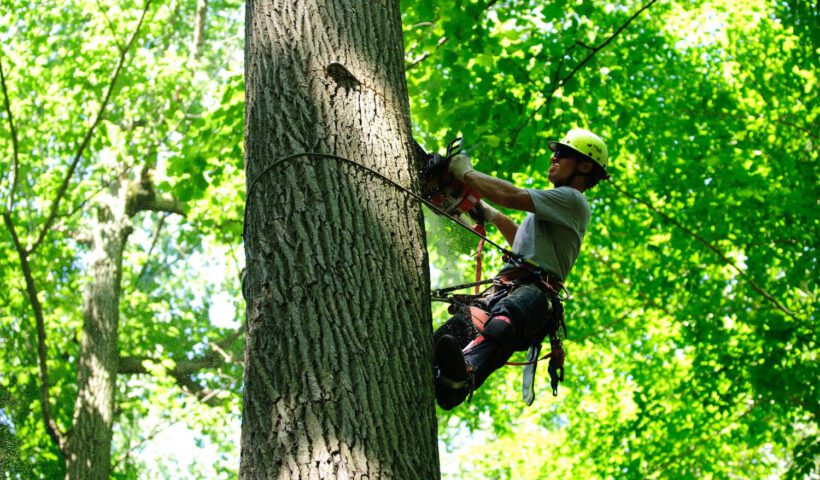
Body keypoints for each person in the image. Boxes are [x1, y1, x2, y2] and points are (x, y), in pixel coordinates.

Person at [433, 128, 609, 410]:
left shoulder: (572, 199)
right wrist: (489, 213)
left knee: (505, 322)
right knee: (449, 333)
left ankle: (463, 378)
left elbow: (511, 195)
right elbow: (522, 242)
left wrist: (464, 172)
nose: (553, 156)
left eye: (562, 153)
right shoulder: (554, 209)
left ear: (585, 166)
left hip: (535, 296)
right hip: (507, 289)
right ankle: (435, 371)